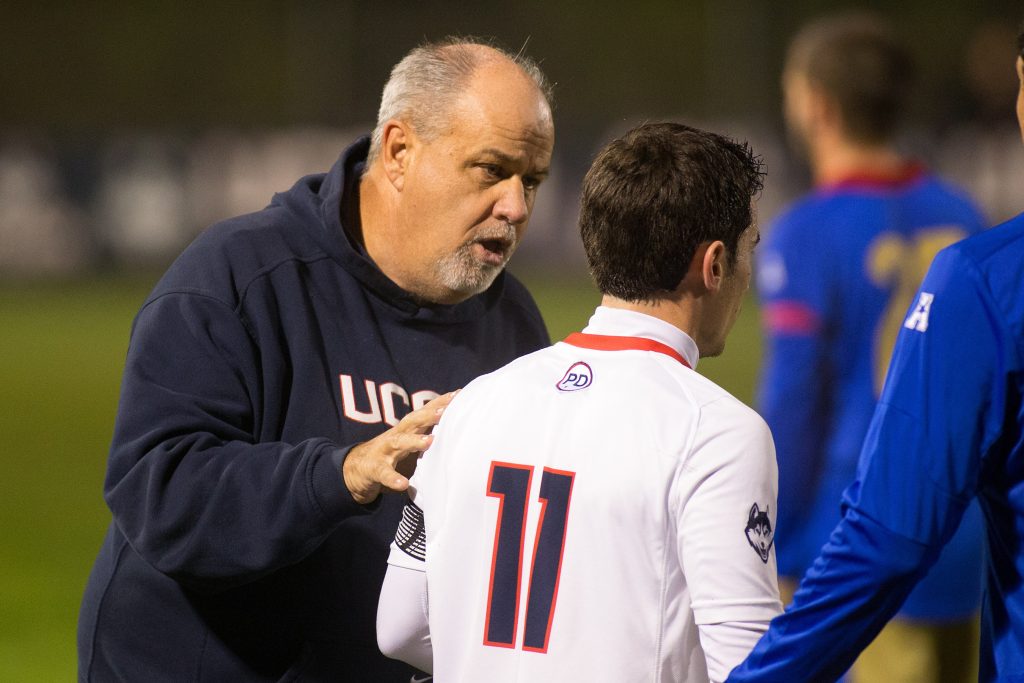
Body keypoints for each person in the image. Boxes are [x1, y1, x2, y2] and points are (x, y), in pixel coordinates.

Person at [77, 38, 555, 682]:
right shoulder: (241, 280)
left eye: (532, 181)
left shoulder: (514, 326)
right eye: (491, 170)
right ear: (398, 152)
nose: (516, 207)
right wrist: (342, 476)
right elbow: (161, 493)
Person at [376, 122, 781, 682]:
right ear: (714, 264)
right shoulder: (716, 433)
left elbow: (397, 627)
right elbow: (752, 666)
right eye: (748, 249)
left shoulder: (470, 406)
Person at [728, 28, 1024, 683]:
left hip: (866, 542)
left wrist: (768, 534)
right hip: (976, 541)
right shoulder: (963, 209)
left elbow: (794, 401)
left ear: (816, 105)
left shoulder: (806, 232)